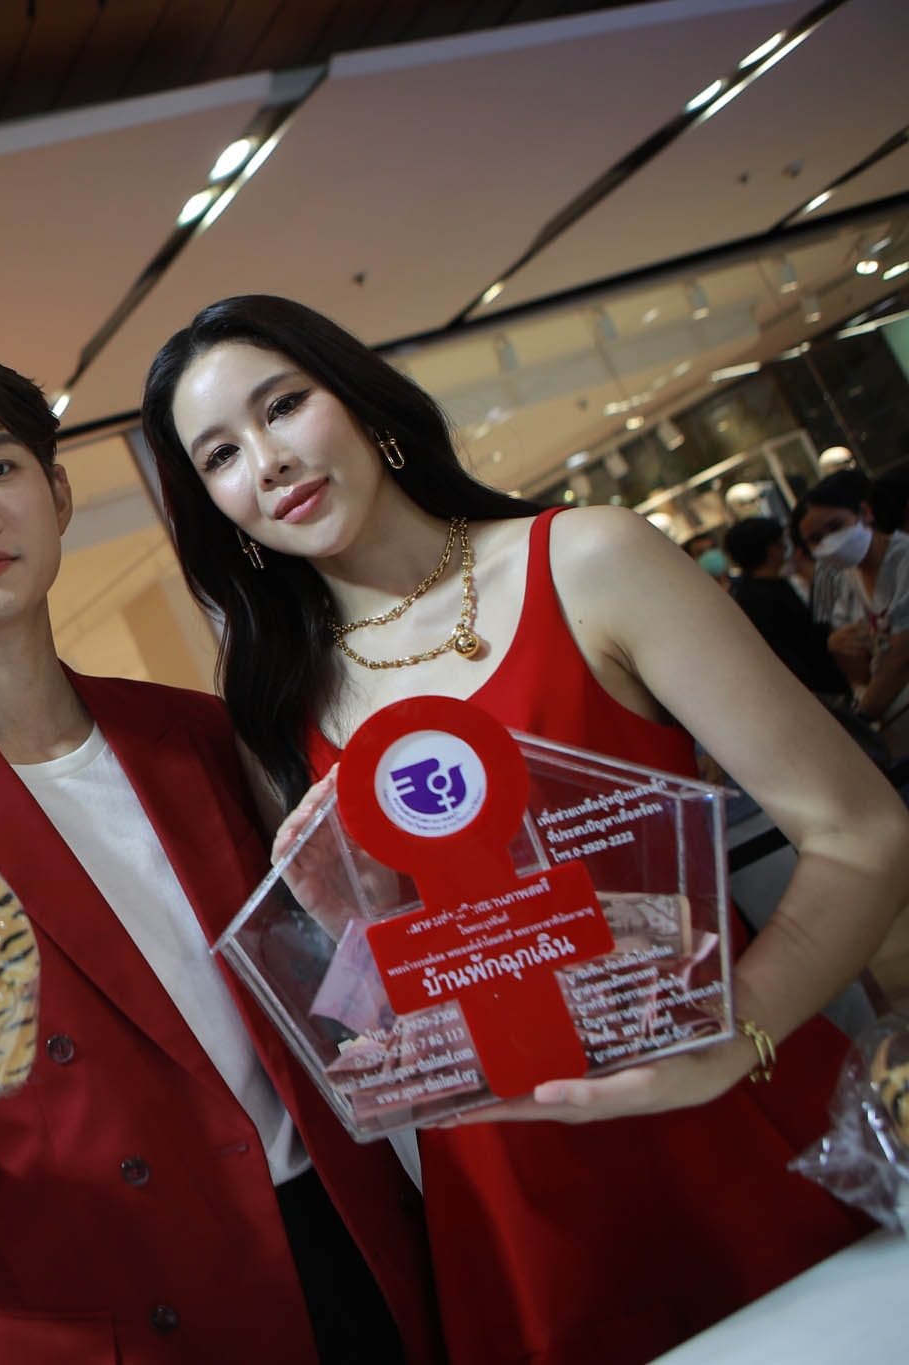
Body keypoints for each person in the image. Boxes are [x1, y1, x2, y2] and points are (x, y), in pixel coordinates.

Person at [139, 294, 909, 1364]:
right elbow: (382, 1007)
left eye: (283, 406)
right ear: (212, 505)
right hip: (511, 1200)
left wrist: (737, 1034)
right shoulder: (276, 700)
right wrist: (350, 934)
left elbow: (857, 830)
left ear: (360, 402)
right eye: (220, 454)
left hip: (719, 1105)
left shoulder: (587, 561)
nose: (266, 462)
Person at [0, 336, 440, 1363]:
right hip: (132, 1323)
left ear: (58, 495)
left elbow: (339, 1009)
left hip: (352, 1262)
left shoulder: (200, 735)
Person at [796, 469, 909, 734]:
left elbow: (901, 658)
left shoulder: (902, 560)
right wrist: (839, 646)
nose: (830, 542)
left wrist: (861, 721)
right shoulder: (843, 579)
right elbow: (858, 670)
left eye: (835, 527)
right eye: (816, 539)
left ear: (865, 513)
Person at [724, 518, 852, 700]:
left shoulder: (771, 583)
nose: (785, 547)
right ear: (771, 548)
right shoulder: (757, 597)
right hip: (817, 688)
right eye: (780, 541)